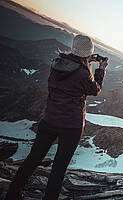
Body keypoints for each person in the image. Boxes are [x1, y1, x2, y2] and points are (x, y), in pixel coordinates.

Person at [5, 34, 108, 200]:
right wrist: (101, 69)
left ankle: (13, 193)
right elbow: (94, 89)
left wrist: (87, 60)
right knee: (59, 169)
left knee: (33, 159)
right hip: (71, 127)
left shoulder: (57, 63)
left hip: (49, 121)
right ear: (88, 53)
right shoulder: (83, 73)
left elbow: (72, 71)